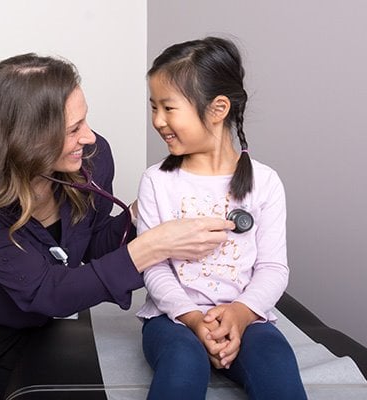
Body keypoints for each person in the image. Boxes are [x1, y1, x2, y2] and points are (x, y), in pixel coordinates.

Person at [0, 53, 234, 400]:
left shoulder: (92, 159)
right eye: (73, 129)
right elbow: (45, 291)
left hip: (36, 332)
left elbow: (90, 244)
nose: (89, 137)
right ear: (25, 139)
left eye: (85, 121)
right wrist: (151, 247)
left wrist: (140, 216)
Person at [136, 37, 308, 400]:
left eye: (168, 108)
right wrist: (193, 318)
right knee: (183, 363)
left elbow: (273, 267)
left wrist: (242, 313)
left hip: (246, 317)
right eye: (153, 108)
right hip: (173, 320)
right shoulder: (157, 181)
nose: (158, 120)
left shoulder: (265, 182)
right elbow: (154, 268)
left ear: (218, 109)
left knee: (277, 366)